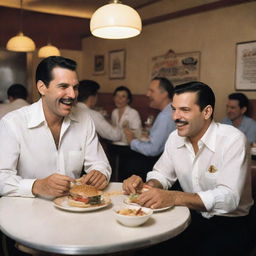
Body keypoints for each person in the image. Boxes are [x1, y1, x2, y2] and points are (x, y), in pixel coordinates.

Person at [123, 81, 253, 256]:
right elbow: (162, 174)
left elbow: (229, 199)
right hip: (191, 217)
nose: (175, 117)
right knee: (145, 247)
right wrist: (148, 185)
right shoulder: (174, 138)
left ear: (206, 112)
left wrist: (174, 197)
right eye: (173, 109)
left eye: (184, 110)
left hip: (231, 223)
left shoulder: (233, 140)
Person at [0, 56, 111, 198]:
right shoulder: (13, 123)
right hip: (27, 213)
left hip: (74, 208)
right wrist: (36, 186)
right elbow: (2, 177)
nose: (72, 95)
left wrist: (100, 173)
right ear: (42, 88)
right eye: (63, 86)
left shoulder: (84, 119)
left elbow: (100, 163)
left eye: (75, 87)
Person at [120, 77, 176, 181]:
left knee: (127, 163)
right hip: (166, 161)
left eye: (151, 91)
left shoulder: (165, 116)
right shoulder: (169, 111)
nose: (147, 94)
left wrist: (132, 141)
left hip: (163, 164)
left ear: (164, 94)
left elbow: (153, 150)